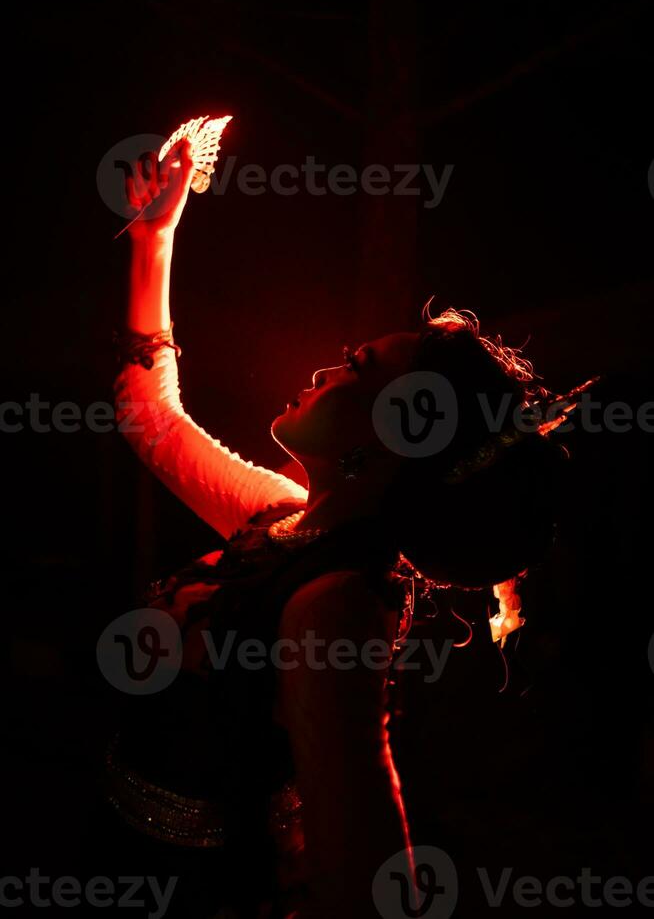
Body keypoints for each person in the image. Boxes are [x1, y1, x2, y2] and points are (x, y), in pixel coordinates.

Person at [103, 139, 566, 918]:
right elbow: (149, 418)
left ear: (388, 438)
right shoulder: (288, 517)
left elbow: (363, 874)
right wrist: (157, 238)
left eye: (355, 366)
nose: (324, 369)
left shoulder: (337, 605)